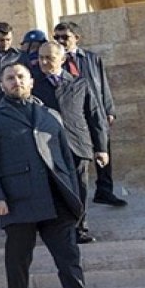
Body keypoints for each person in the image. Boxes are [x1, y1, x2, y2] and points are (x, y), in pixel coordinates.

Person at [0, 63, 101, 288]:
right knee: (18, 262)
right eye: (10, 78)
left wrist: (74, 196)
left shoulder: (50, 115)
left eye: (21, 77)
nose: (16, 81)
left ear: (31, 81)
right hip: (18, 201)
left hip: (56, 200)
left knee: (70, 262)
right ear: (2, 85)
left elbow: (66, 159)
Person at [32, 43, 110, 244]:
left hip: (77, 144)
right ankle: (59, 229)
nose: (44, 62)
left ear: (62, 59)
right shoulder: (33, 86)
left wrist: (101, 148)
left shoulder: (79, 83)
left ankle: (80, 228)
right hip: (47, 147)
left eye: (49, 58)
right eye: (41, 57)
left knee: (80, 188)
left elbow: (95, 116)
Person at [53, 21, 124, 207]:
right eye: (56, 37)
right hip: (74, 115)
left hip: (95, 111)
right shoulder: (56, 62)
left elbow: (103, 85)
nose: (60, 41)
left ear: (76, 38)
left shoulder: (92, 59)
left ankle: (105, 190)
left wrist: (109, 109)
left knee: (103, 149)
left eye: (64, 37)